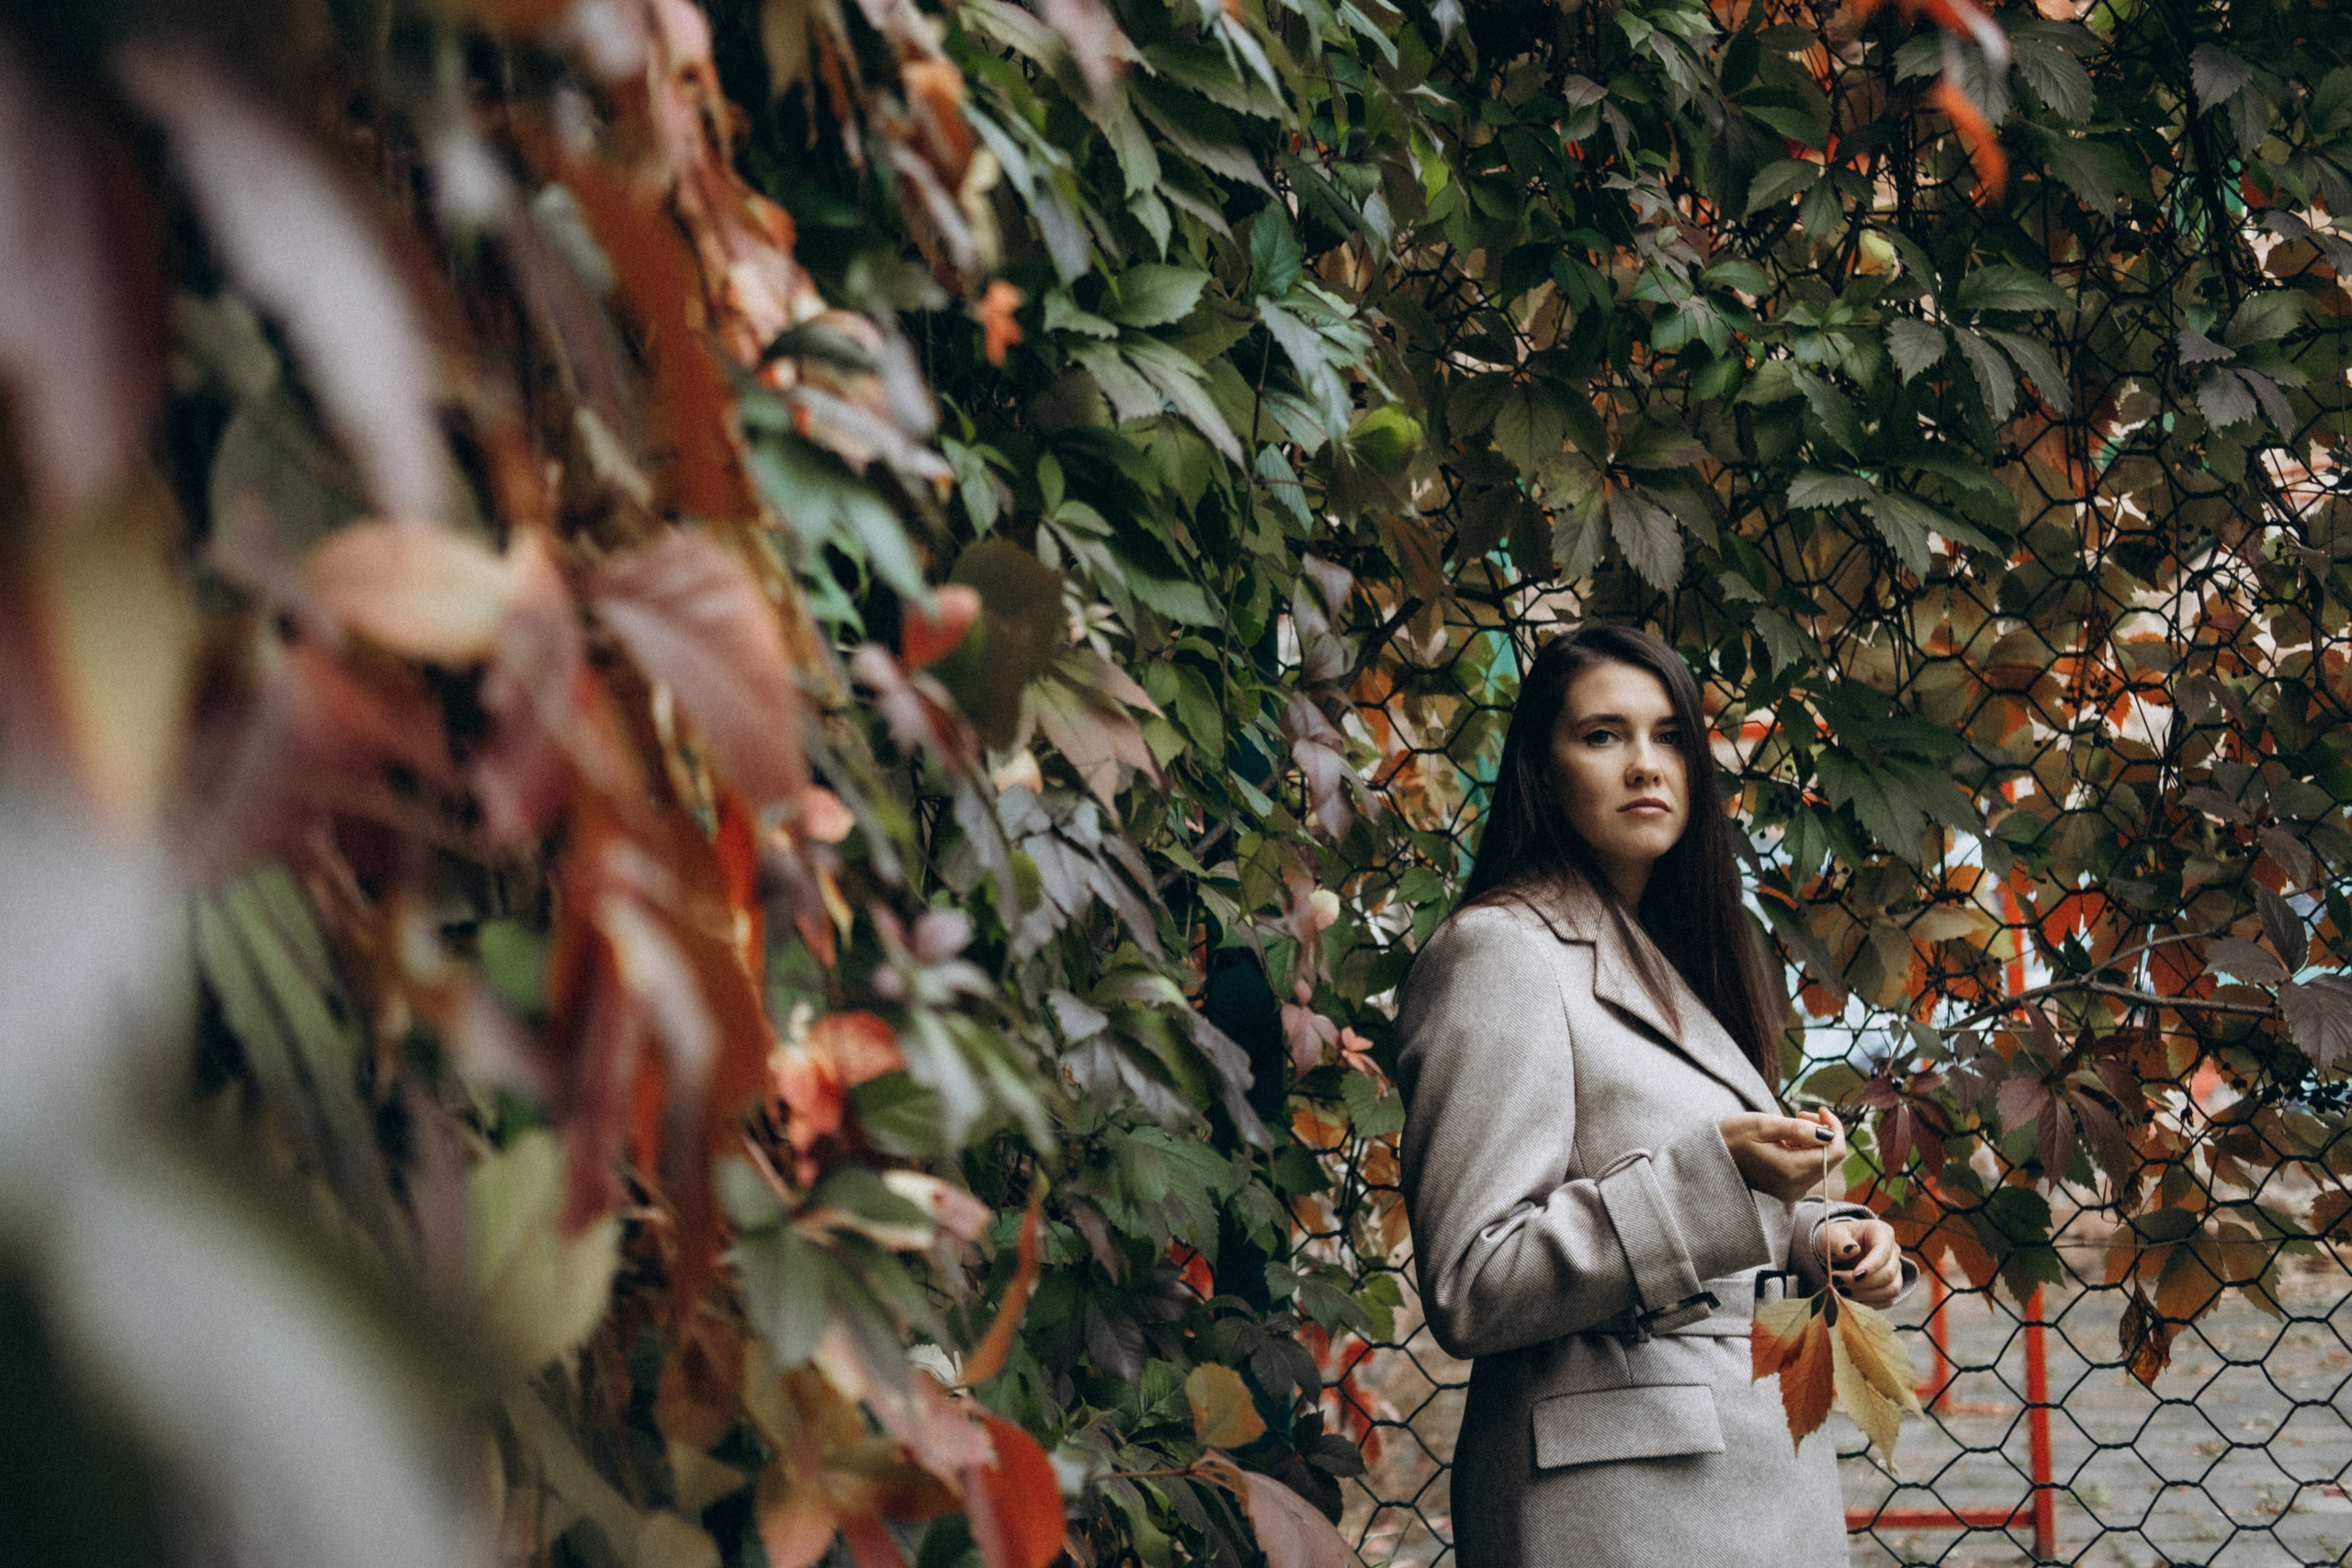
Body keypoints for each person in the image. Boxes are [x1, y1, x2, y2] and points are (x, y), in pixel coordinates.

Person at [1396, 624, 1915, 1567]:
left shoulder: (1669, 952)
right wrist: (1717, 1174)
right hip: (1619, 1505)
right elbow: (1473, 1284)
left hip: (1747, 1473)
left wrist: (1824, 1239)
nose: (1644, 765)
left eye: (1670, 736)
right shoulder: (1500, 954)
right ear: (1539, 769)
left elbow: (1695, 1217)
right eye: (1602, 735)